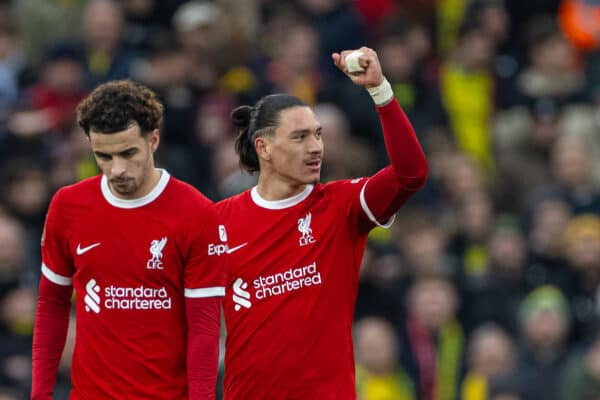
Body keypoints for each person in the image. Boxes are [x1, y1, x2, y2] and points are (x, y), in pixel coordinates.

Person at [217, 47, 428, 399]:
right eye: (300, 138)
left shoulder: (341, 206)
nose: (315, 147)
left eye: (318, 135)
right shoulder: (217, 222)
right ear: (263, 148)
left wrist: (381, 92)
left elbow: (411, 174)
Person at [31, 80, 226, 399]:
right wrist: (40, 394)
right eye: (103, 156)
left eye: (127, 153)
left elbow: (204, 329)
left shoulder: (197, 213)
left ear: (154, 139)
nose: (116, 169)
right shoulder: (68, 206)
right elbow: (52, 303)